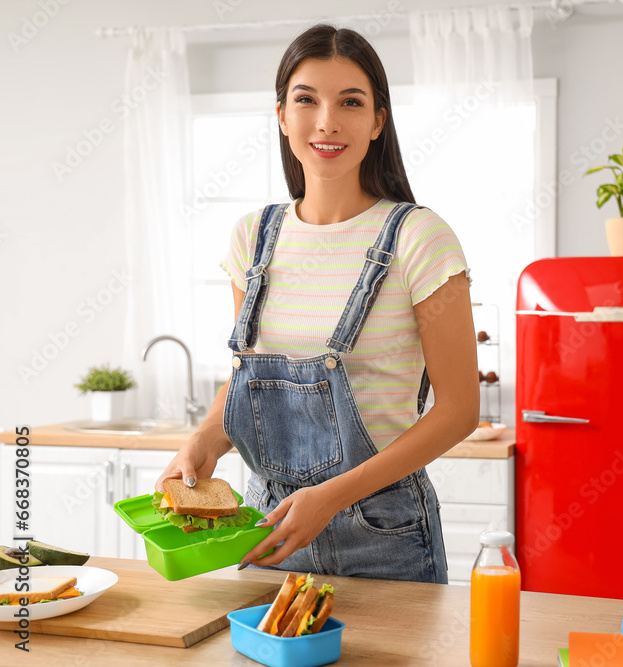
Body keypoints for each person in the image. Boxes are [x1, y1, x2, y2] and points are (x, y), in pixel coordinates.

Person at [155, 24, 479, 584]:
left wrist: (332, 497)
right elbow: (247, 375)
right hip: (266, 523)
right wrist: (207, 437)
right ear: (281, 114)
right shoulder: (253, 236)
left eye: (350, 102)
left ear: (378, 121)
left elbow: (459, 411)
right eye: (306, 99)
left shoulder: (420, 238)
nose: (327, 120)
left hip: (383, 532)